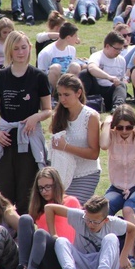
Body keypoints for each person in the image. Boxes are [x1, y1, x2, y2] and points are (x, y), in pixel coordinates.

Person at [0, 31, 52, 214]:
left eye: (23, 47)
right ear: (9, 50)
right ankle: (6, 231)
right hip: (5, 138)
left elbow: (48, 110)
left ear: (30, 48)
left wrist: (35, 117)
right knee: (4, 190)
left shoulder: (39, 76)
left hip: (29, 138)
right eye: (16, 48)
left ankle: (25, 229)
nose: (20, 52)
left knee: (27, 189)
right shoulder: (0, 77)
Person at [6, 167, 81, 269]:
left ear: (56, 185)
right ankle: (23, 267)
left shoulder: (70, 201)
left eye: (48, 187)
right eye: (41, 188)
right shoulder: (38, 207)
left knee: (41, 233)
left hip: (60, 259)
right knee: (25, 219)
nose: (44, 191)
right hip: (39, 261)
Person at [46, 195, 135, 269]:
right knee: (61, 241)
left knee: (111, 238)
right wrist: (53, 235)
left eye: (95, 222)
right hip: (82, 266)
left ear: (105, 220)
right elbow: (49, 208)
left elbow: (133, 229)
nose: (90, 224)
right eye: (88, 220)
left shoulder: (112, 222)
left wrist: (124, 256)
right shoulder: (79, 216)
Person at [100, 105, 135, 261]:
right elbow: (103, 145)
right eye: (120, 127)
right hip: (117, 188)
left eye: (128, 127)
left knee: (128, 210)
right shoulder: (111, 135)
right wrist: (108, 123)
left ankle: (130, 255)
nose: (124, 131)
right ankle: (105, 252)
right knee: (102, 211)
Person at [49, 74, 101, 205]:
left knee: (71, 211)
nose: (62, 99)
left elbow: (94, 153)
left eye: (66, 95)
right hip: (63, 174)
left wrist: (65, 147)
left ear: (78, 93)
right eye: (60, 95)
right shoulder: (58, 115)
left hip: (86, 174)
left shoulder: (90, 116)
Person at [80, 31, 128, 112]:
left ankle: (117, 108)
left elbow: (122, 79)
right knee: (85, 73)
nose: (119, 52)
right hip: (96, 89)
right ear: (107, 46)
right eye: (117, 49)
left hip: (111, 92)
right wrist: (108, 77)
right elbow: (92, 68)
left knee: (121, 84)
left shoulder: (121, 60)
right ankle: (80, 101)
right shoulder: (97, 56)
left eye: (121, 49)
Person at [37, 22, 82, 91]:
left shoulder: (72, 50)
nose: (77, 39)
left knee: (75, 66)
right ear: (68, 38)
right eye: (75, 36)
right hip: (50, 85)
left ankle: (72, 92)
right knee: (56, 67)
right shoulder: (47, 52)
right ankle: (55, 96)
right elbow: (41, 74)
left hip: (66, 81)